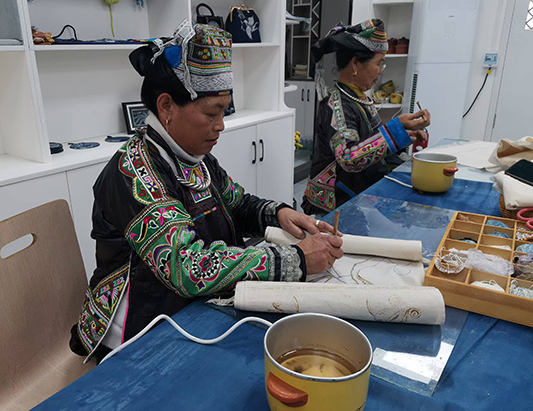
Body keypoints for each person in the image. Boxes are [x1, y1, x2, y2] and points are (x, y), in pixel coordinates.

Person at [69, 21, 343, 362]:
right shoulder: (133, 173)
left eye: (224, 111)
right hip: (137, 332)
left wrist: (280, 213)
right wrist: (295, 259)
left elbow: (237, 204)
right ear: (166, 106)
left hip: (190, 308)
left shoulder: (196, 158)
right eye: (212, 113)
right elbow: (185, 267)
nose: (221, 125)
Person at [301, 19, 431, 216]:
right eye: (379, 63)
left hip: (355, 196)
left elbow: (372, 138)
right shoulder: (337, 105)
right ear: (355, 64)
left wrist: (406, 133)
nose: (380, 70)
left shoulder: (360, 98)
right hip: (334, 206)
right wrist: (394, 131)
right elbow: (348, 158)